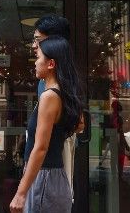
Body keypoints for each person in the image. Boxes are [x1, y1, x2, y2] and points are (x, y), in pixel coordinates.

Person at [10, 35, 84, 213]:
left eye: (38, 57)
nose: (35, 62)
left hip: (44, 179)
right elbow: (79, 125)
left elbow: (41, 147)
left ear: (51, 64)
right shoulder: (63, 94)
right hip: (52, 178)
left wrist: (20, 194)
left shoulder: (49, 96)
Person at [32, 15, 83, 191]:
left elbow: (79, 123)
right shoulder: (47, 79)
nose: (34, 46)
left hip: (55, 157)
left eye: (38, 40)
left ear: (54, 41)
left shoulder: (59, 82)